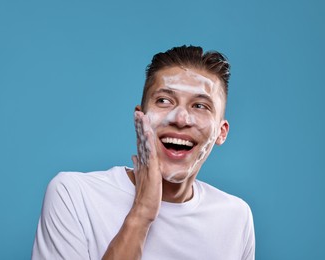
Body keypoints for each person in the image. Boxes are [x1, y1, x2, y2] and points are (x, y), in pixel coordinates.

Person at [32, 45, 255, 260]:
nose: (180, 118)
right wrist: (142, 212)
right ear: (140, 118)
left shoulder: (236, 217)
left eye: (200, 106)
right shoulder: (74, 195)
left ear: (221, 132)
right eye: (164, 101)